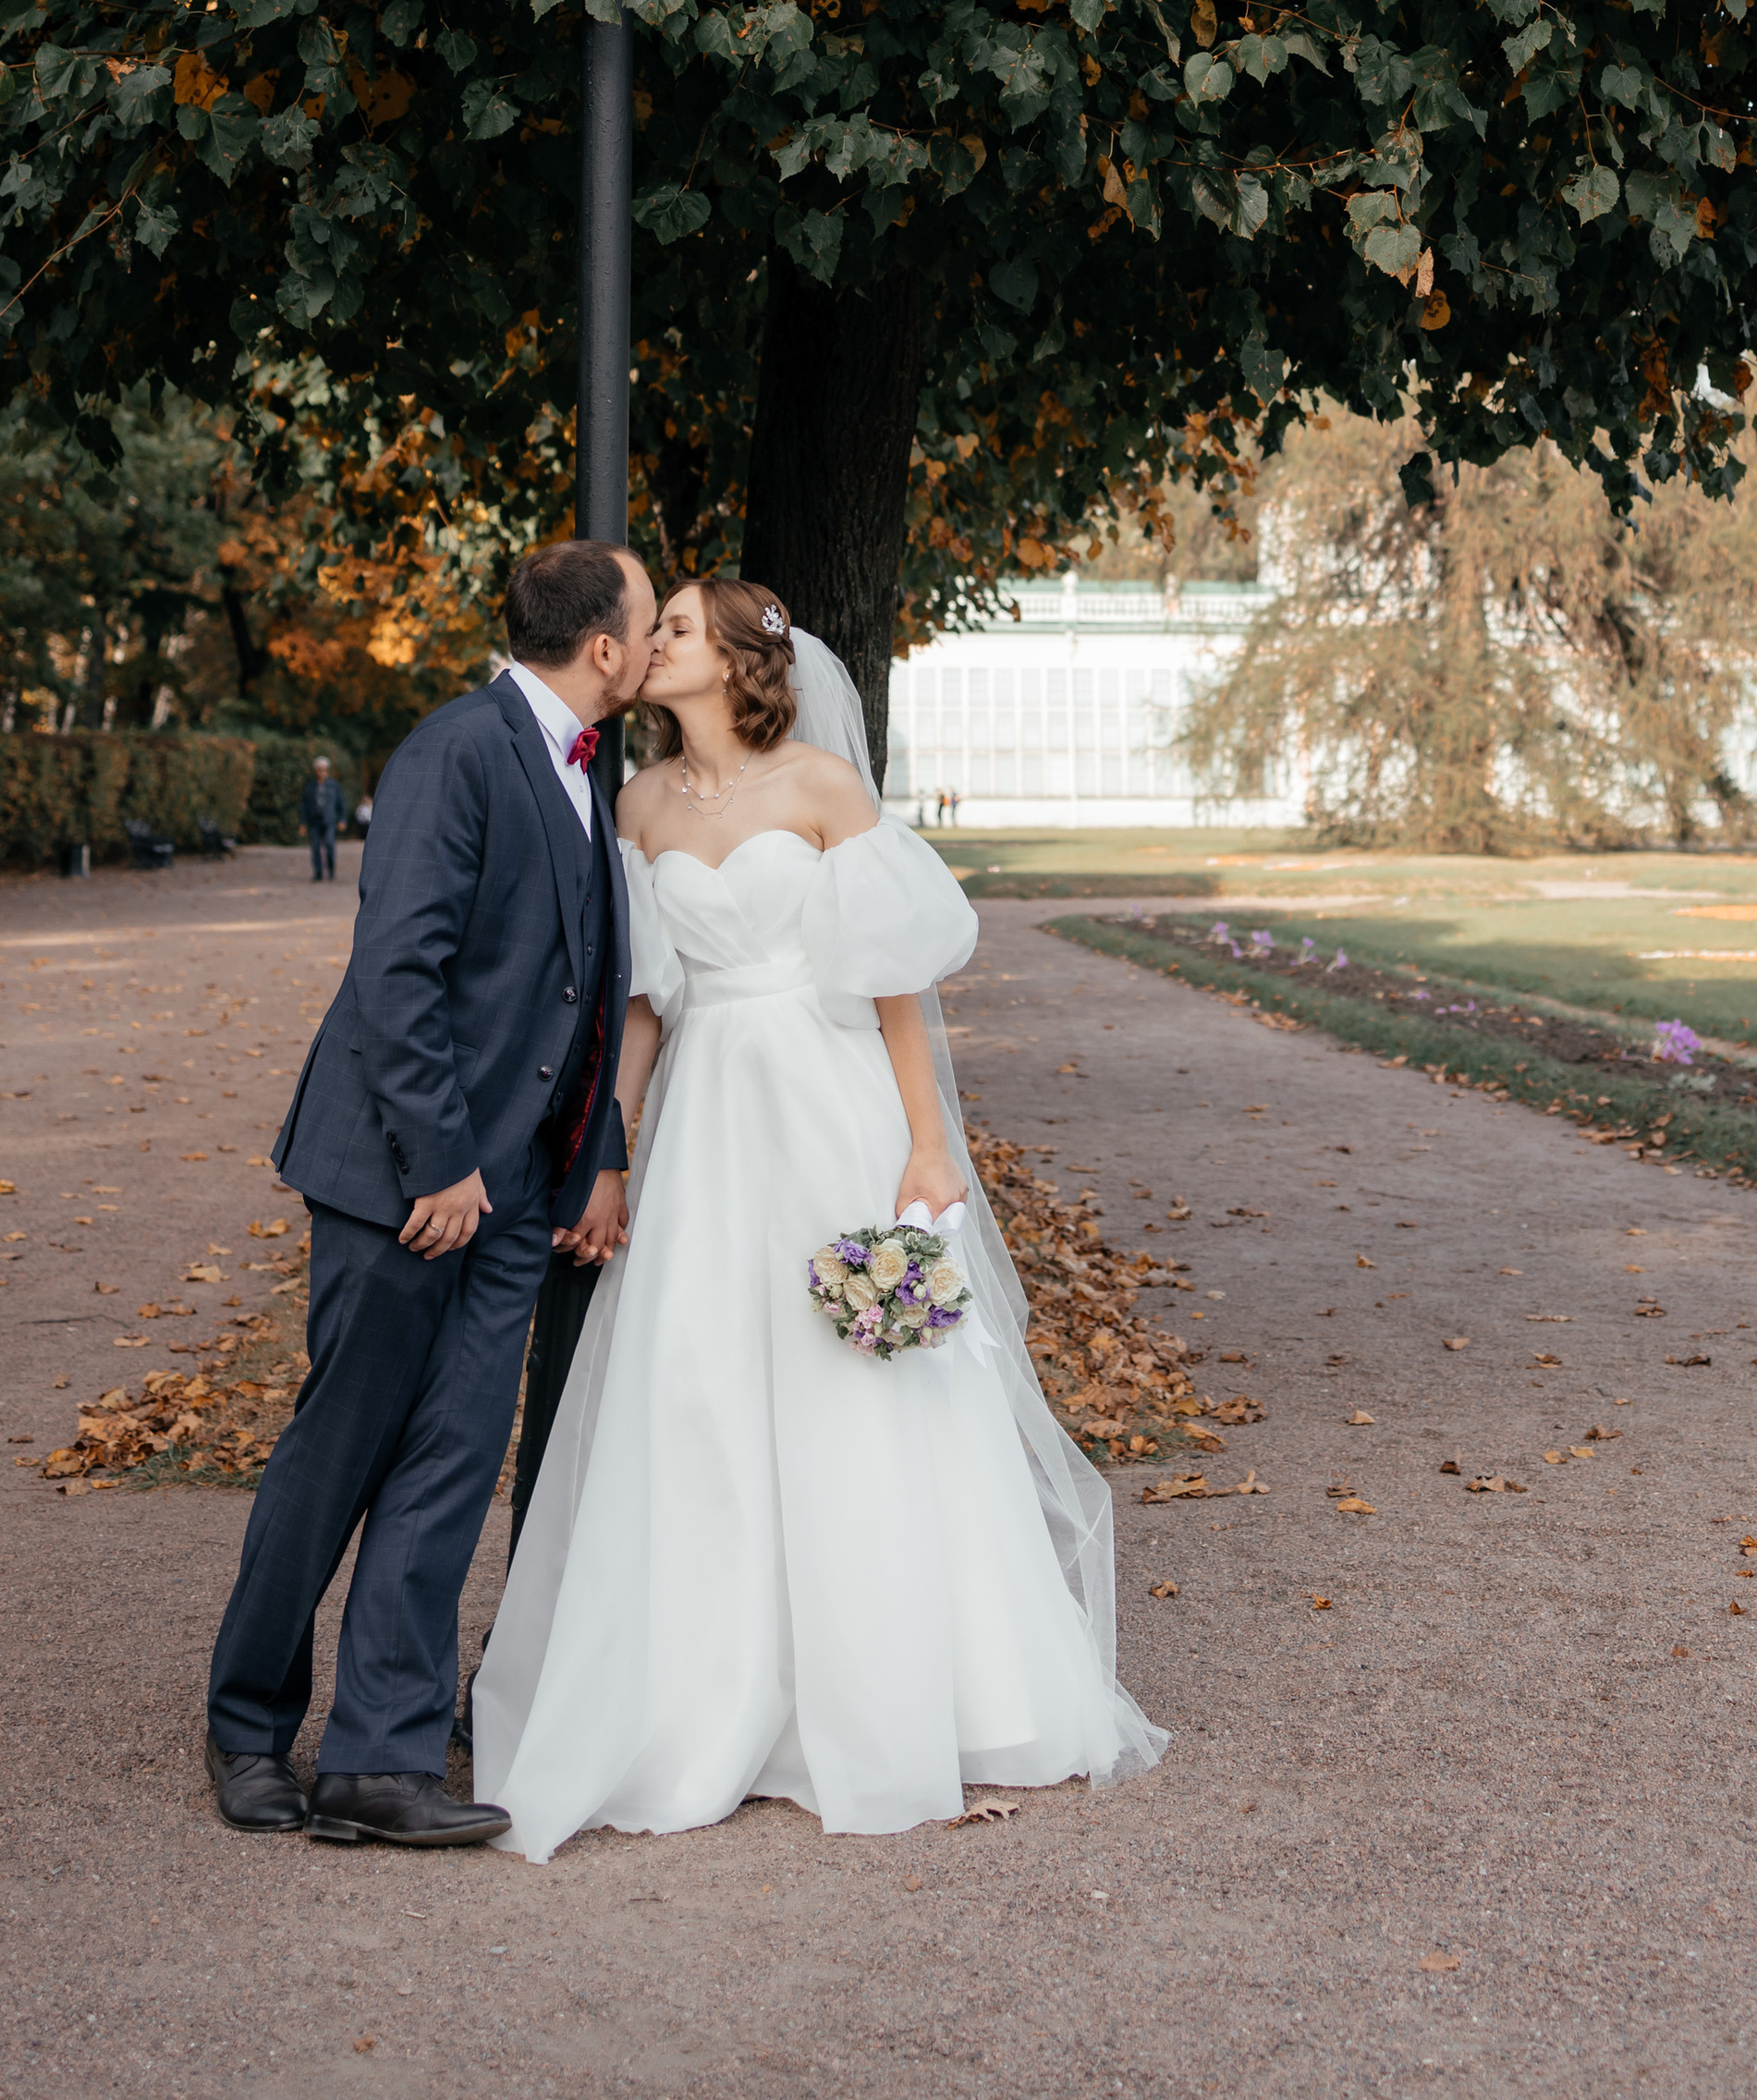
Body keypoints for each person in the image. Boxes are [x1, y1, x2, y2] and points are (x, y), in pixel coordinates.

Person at [470, 579, 1164, 1856]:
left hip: (830, 1106)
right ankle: (707, 1693)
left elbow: (893, 987)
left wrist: (928, 1147)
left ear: (741, 657)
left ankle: (901, 1689)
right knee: (701, 1380)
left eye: (680, 628)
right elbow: (645, 1003)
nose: (655, 644)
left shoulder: (824, 789)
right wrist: (611, 1152)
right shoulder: (638, 804)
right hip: (709, 1123)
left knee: (854, 1378)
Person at [201, 540, 654, 1850]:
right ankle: (245, 1725)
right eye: (646, 621)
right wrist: (442, 1162)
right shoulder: (456, 748)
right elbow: (398, 968)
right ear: (605, 647)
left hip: (515, 1191)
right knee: (339, 1450)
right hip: (404, 1180)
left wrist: (589, 1153)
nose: (649, 642)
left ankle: (381, 1760)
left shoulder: (586, 770)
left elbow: (578, 992)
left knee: (452, 1461)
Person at [299, 756, 346, 884]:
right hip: (314, 821)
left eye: (324, 770)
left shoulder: (334, 786)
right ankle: (318, 872)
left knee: (330, 844)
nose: (322, 772)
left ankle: (331, 870)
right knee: (315, 847)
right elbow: (304, 805)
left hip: (329, 820)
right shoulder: (310, 786)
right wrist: (302, 823)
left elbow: (341, 803)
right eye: (320, 770)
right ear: (316, 771)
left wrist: (342, 819)